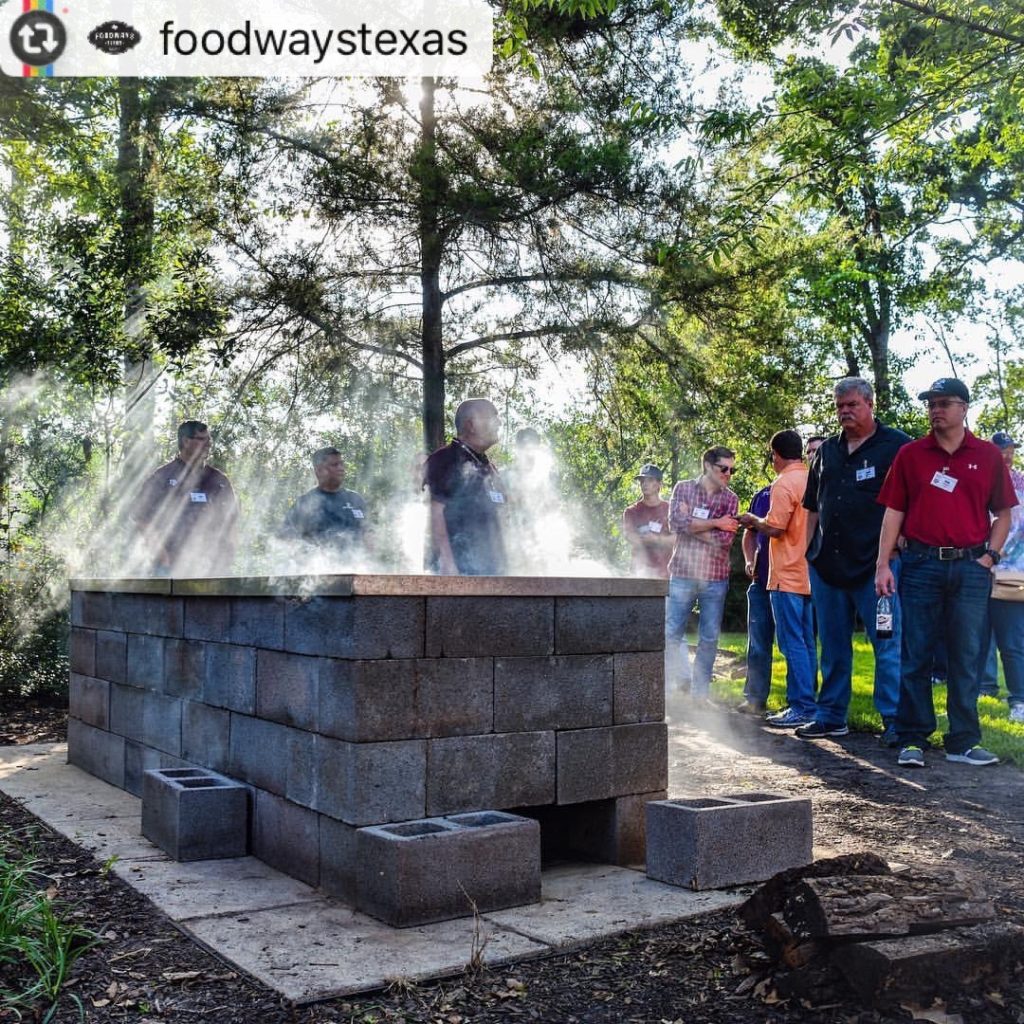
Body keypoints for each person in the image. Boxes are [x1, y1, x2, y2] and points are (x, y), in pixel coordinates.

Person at [875, 378, 1016, 768]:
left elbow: (1003, 513)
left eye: (944, 403)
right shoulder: (911, 454)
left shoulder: (987, 456)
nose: (936, 410)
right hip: (920, 565)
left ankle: (963, 741)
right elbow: (893, 512)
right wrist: (883, 564)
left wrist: (990, 555)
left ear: (964, 408)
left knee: (966, 657)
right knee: (915, 654)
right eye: (931, 404)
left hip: (971, 568)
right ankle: (913, 738)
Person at [796, 377, 912, 744]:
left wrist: (899, 544)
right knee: (831, 644)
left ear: (870, 404)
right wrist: (807, 551)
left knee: (887, 643)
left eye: (852, 405)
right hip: (828, 566)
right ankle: (831, 716)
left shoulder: (898, 447)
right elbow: (812, 506)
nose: (845, 412)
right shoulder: (827, 451)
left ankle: (894, 719)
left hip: (877, 567)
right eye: (839, 406)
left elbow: (913, 501)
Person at [740, 430, 816, 727]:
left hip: (785, 574)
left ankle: (802, 707)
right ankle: (810, 704)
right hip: (809, 573)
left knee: (791, 642)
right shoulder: (812, 478)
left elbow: (775, 528)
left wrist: (752, 520)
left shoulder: (783, 483)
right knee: (807, 642)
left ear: (776, 455)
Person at [665, 447, 740, 700]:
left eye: (732, 469)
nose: (729, 474)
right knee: (670, 634)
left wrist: (695, 527)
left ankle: (699, 697)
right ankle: (666, 692)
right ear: (708, 466)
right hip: (683, 573)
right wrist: (716, 522)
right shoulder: (683, 488)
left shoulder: (731, 499)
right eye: (724, 468)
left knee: (709, 639)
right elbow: (675, 523)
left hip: (715, 578)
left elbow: (725, 541)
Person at [132, 420, 238, 577]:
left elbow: (232, 521)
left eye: (210, 440)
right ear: (186, 441)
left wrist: (227, 558)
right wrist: (163, 558)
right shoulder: (162, 476)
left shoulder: (219, 479)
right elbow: (142, 519)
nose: (208, 444)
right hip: (170, 568)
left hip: (212, 568)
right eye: (202, 439)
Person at [425, 398, 506, 575]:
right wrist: (447, 564)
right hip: (459, 574)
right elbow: (435, 512)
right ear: (471, 424)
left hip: (492, 573)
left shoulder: (488, 466)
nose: (499, 423)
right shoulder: (444, 460)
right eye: (493, 417)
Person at [979, 432, 1024, 720]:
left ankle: (1019, 700)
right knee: (976, 638)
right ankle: (984, 688)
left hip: (1011, 573)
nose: (1006, 455)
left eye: (1010, 450)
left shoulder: (1021, 481)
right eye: (1001, 450)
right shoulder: (980, 478)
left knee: (1012, 641)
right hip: (977, 569)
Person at [281, 447, 368, 557]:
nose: (341, 468)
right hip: (318, 570)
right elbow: (287, 537)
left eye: (341, 464)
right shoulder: (305, 503)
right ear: (319, 470)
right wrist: (310, 554)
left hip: (357, 569)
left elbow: (368, 533)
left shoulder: (356, 500)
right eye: (334, 465)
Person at [737, 483, 774, 714]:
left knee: (796, 645)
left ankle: (800, 705)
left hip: (795, 583)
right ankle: (754, 699)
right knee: (758, 644)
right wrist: (749, 561)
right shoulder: (763, 494)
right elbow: (749, 533)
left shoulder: (807, 488)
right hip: (761, 582)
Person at [622, 464, 674, 578]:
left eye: (650, 480)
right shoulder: (631, 511)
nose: (645, 484)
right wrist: (643, 540)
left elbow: (677, 540)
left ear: (659, 484)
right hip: (640, 572)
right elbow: (629, 536)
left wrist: (656, 539)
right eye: (642, 480)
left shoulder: (670, 510)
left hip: (665, 573)